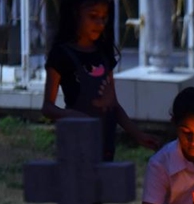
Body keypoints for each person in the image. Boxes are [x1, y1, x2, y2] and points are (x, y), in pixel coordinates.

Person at [42, 0, 158, 162]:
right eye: (93, 16)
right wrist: (75, 117)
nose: (100, 23)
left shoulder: (103, 53)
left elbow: (113, 105)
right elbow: (47, 107)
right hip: (77, 144)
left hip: (106, 143)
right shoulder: (61, 55)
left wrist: (137, 134)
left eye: (104, 18)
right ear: (75, 14)